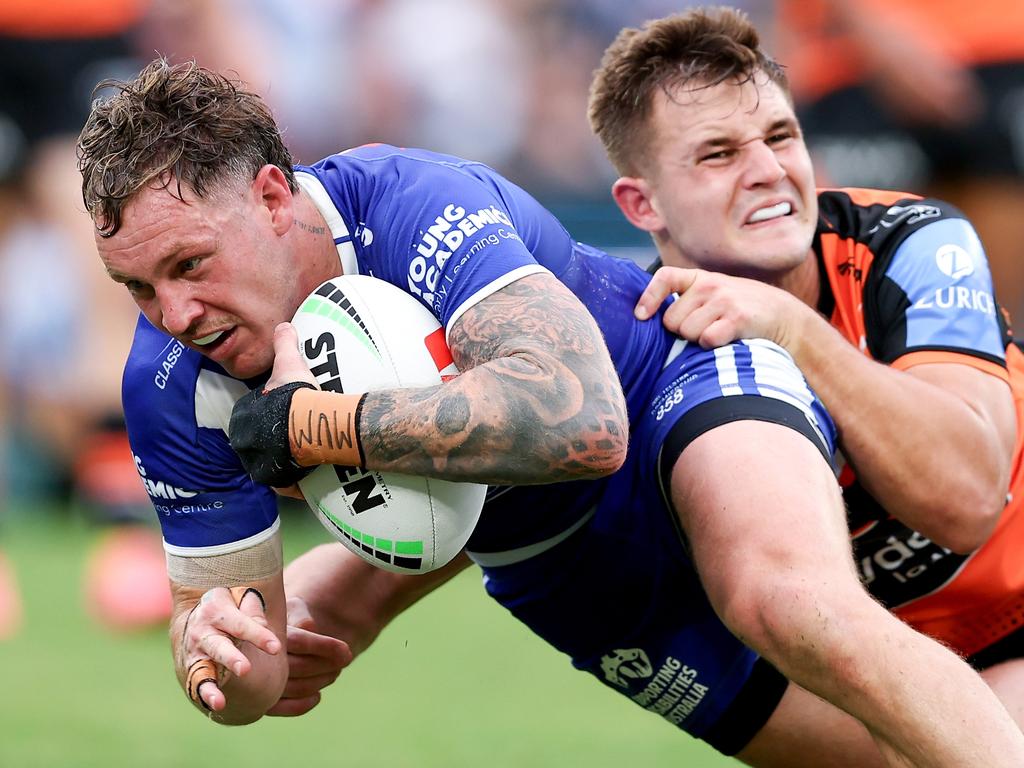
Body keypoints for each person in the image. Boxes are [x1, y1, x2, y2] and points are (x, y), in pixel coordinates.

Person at [76, 58, 1024, 766]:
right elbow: (239, 660)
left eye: (190, 265)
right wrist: (235, 673)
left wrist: (311, 425)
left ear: (274, 198)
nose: (176, 316)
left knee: (785, 600)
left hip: (671, 394)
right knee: (891, 758)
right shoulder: (169, 388)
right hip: (561, 570)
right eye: (138, 289)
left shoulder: (413, 202)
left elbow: (579, 422)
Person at [587, 6, 1024, 718]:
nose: (769, 171)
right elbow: (518, 463)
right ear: (643, 204)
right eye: (719, 154)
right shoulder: (634, 330)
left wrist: (792, 330)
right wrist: (345, 600)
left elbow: (970, 499)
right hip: (883, 673)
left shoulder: (911, 241)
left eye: (780, 136)